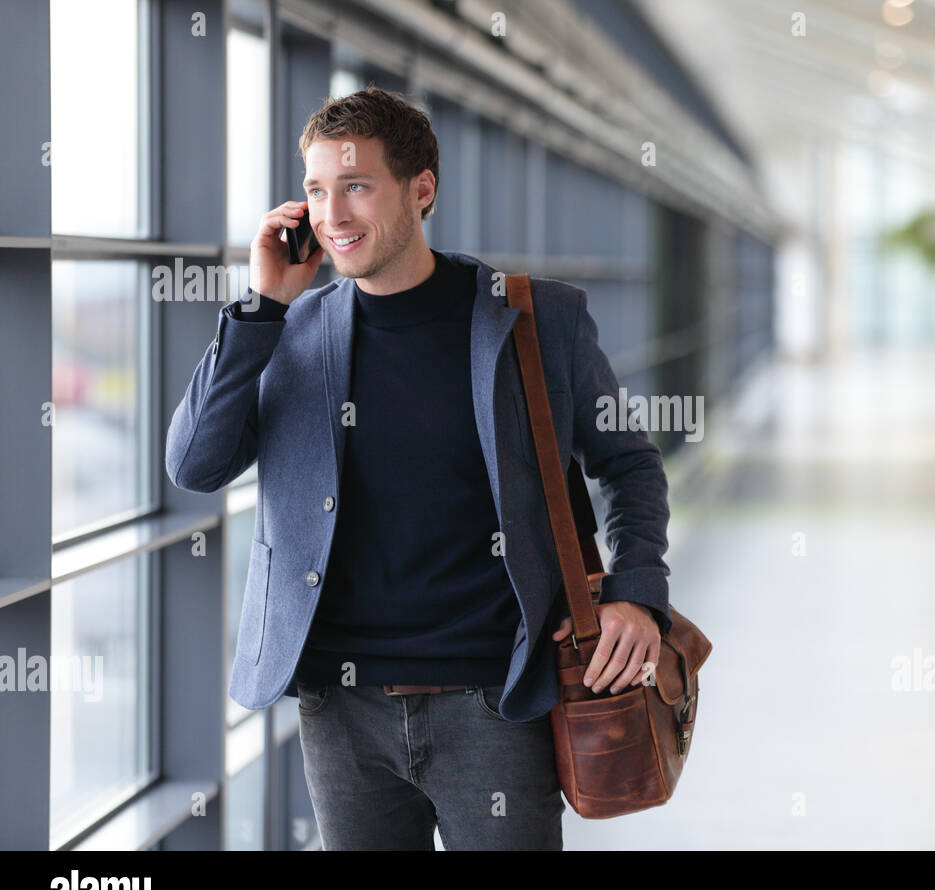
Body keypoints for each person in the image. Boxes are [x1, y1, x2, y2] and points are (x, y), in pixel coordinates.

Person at [165, 87, 673, 850]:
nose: (332, 215)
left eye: (357, 186)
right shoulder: (289, 331)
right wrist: (260, 306)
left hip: (497, 702)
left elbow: (628, 465)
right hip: (342, 712)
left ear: (422, 189)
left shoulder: (535, 319)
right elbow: (194, 465)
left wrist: (637, 594)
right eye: (315, 191)